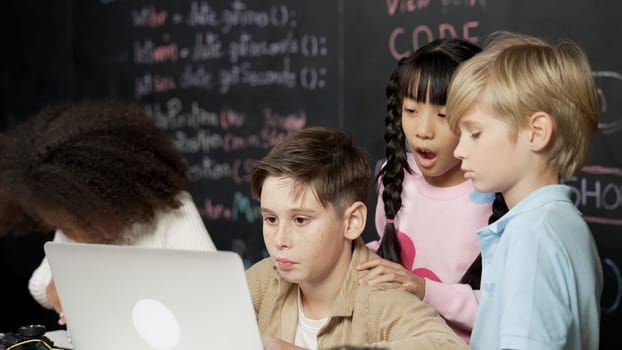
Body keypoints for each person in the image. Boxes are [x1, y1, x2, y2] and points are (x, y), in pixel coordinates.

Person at [446, 31, 603, 349]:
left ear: (537, 132)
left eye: (474, 133)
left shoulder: (532, 235)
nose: (459, 150)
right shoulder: (564, 225)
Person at [246, 127, 468, 350]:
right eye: (271, 219)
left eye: (300, 220)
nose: (280, 240)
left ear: (352, 222)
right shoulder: (263, 279)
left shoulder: (379, 295)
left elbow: (447, 346)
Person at [0, 100, 216, 326]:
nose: (77, 237)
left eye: (84, 224)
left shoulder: (173, 211)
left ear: (116, 199)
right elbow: (38, 286)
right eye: (62, 227)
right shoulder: (70, 230)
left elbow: (215, 290)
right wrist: (54, 289)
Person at [356, 38, 507, 341]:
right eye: (411, 110)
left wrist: (423, 289)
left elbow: (505, 312)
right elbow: (391, 259)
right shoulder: (395, 176)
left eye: (442, 115)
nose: (423, 130)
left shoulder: (495, 198)